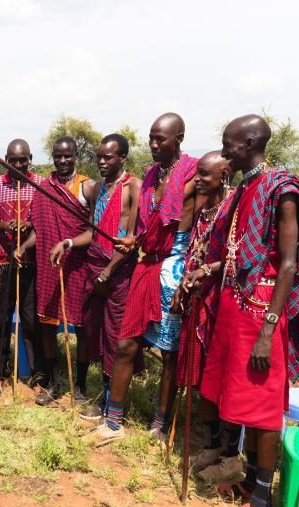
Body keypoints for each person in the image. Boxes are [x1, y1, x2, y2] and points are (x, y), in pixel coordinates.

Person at [198, 115, 299, 507]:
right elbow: (235, 254)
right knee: (239, 397)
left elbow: (288, 264)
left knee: (263, 406)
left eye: (229, 144)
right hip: (237, 305)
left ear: (249, 143)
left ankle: (263, 496)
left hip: (261, 311)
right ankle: (249, 480)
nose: (225, 151)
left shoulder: (282, 189)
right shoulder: (246, 187)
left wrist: (268, 329)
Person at [91, 113, 197, 445]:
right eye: (150, 138)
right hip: (145, 267)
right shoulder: (151, 176)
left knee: (169, 354)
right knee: (126, 344)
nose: (153, 145)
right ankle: (113, 422)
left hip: (175, 270)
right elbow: (144, 229)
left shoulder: (194, 174)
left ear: (178, 138)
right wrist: (134, 242)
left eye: (160, 139)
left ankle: (160, 425)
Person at [49, 134, 141, 419]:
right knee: (95, 334)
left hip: (117, 273)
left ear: (122, 157)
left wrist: (108, 271)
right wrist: (67, 243)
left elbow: (131, 238)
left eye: (108, 157)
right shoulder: (99, 187)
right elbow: (92, 231)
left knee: (114, 337)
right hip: (94, 268)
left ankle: (115, 406)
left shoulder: (132, 187)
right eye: (99, 156)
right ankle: (103, 396)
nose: (101, 161)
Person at [168, 151, 242, 480]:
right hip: (197, 301)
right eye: (196, 173)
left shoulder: (234, 211)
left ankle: (230, 457)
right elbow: (192, 250)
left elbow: (237, 260)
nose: (197, 180)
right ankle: (211, 446)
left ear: (224, 176)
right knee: (201, 382)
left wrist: (203, 271)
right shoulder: (204, 208)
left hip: (221, 306)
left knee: (223, 383)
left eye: (204, 175)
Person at [18, 136, 96, 405]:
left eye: (68, 156)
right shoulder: (44, 188)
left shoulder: (88, 187)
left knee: (82, 328)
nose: (62, 161)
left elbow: (93, 232)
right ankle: (53, 382)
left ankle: (81, 385)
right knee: (48, 327)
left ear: (76, 156)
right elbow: (40, 230)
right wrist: (23, 248)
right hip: (50, 267)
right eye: (58, 156)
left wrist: (69, 243)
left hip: (78, 266)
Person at [0, 139, 43, 394]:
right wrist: (5, 226)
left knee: (31, 320)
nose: (18, 164)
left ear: (30, 158)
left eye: (22, 159)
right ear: (7, 160)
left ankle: (37, 374)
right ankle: (0, 371)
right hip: (1, 259)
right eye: (13, 160)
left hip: (31, 259)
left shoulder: (40, 184)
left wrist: (28, 225)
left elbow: (42, 221)